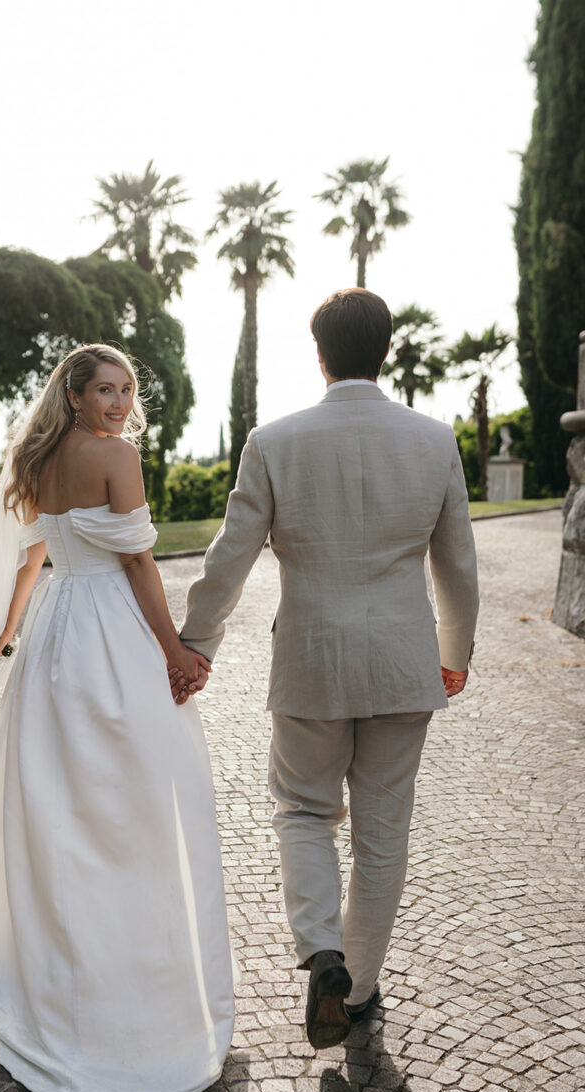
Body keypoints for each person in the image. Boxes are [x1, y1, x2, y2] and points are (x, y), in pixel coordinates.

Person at [172, 289, 479, 1050]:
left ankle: (324, 952)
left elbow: (229, 557)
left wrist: (195, 642)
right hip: (405, 664)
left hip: (310, 660)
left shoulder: (275, 441)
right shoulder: (433, 439)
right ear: (386, 349)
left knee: (305, 810)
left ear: (320, 354)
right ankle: (362, 988)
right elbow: (459, 568)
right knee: (383, 836)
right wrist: (455, 655)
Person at [0, 344, 235, 1092]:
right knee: (134, 797)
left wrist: (7, 631)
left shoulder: (35, 459)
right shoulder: (117, 456)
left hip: (57, 635)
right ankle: (122, 960)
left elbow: (35, 553)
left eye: (126, 390)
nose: (117, 402)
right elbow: (138, 563)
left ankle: (72, 950)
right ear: (73, 394)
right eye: (104, 389)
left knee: (61, 796)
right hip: (111, 629)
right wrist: (174, 650)